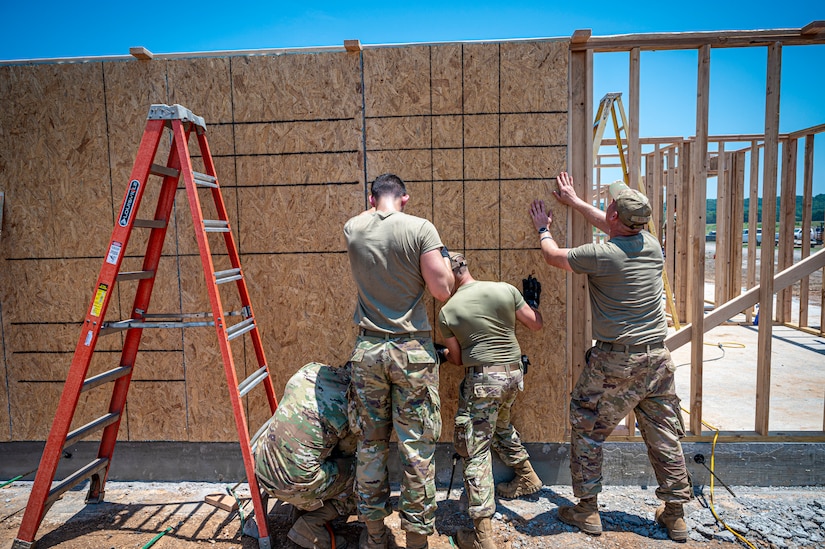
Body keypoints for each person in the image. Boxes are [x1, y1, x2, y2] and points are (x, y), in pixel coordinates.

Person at [527, 172, 692, 542]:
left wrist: (543, 228)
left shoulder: (602, 255)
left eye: (610, 206)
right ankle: (676, 516)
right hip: (658, 359)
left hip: (617, 361)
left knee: (587, 427)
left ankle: (586, 511)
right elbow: (609, 224)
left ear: (616, 217)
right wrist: (575, 202)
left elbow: (553, 256)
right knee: (664, 434)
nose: (607, 209)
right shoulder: (650, 244)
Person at [343, 173, 454, 549]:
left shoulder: (353, 229)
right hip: (411, 353)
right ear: (404, 198)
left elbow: (368, 218)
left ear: (372, 198)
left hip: (368, 352)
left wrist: (374, 208)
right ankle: (418, 541)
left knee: (370, 446)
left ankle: (374, 537)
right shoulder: (420, 229)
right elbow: (442, 289)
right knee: (416, 448)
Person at [437, 253, 543, 549]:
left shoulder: (448, 311)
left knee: (477, 450)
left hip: (483, 382)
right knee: (501, 425)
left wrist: (441, 354)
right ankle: (527, 476)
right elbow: (536, 324)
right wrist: (531, 304)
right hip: (513, 376)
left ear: (448, 275)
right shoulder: (504, 289)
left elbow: (458, 360)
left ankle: (483, 537)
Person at [254, 361, 356, 549]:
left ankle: (301, 509)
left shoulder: (310, 369)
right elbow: (347, 456)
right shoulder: (350, 404)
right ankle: (311, 525)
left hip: (263, 472)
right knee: (363, 476)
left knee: (311, 456)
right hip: (295, 485)